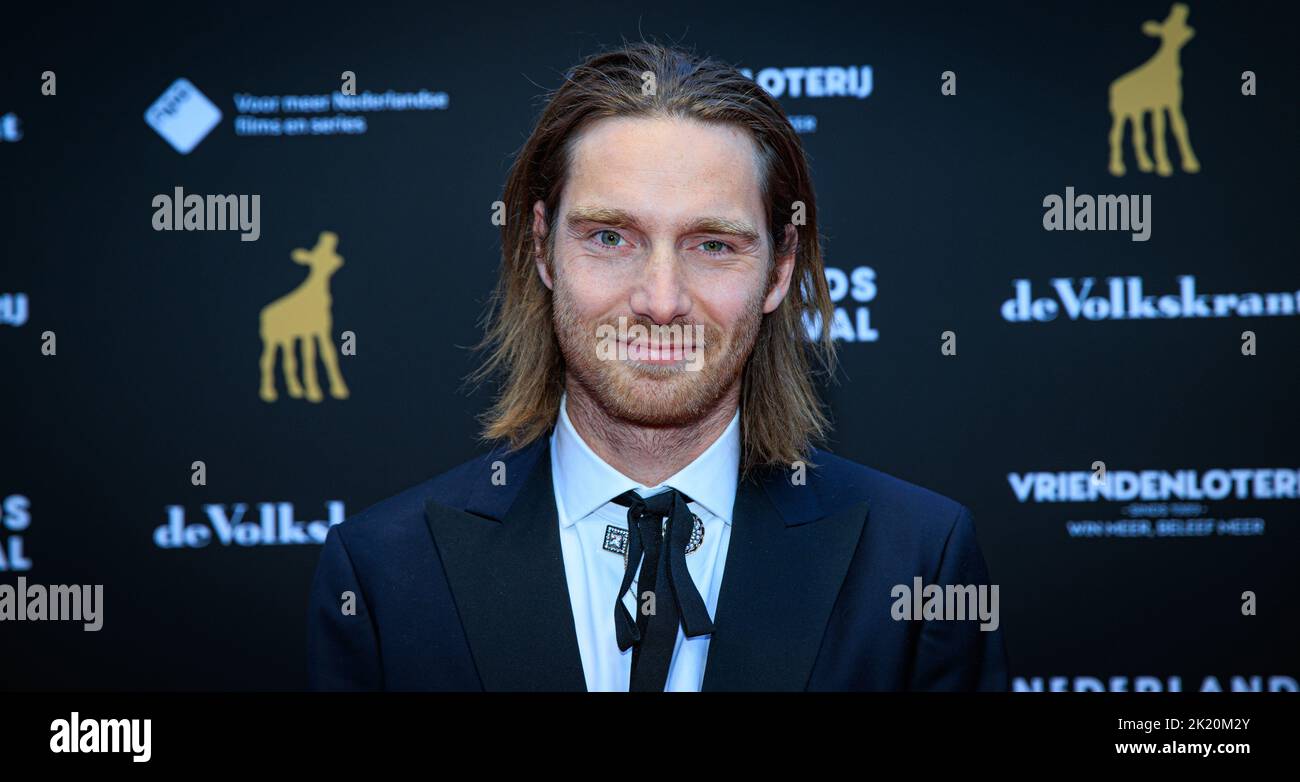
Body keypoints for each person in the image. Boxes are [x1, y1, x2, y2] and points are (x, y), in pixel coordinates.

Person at [307, 41, 1008, 691]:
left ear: (779, 268)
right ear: (544, 249)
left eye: (712, 245)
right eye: (611, 237)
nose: (661, 301)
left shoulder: (917, 561)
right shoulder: (384, 575)